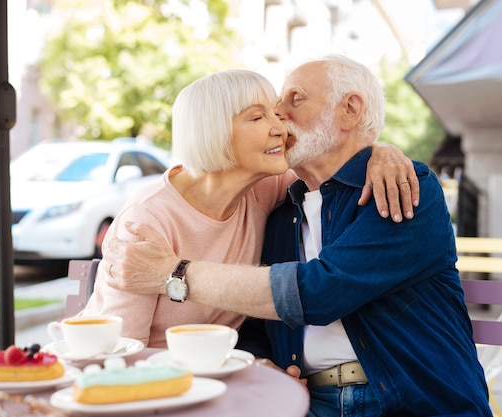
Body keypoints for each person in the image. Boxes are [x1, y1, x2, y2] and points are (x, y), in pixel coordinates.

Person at [101, 55, 491, 416]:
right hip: (301, 400)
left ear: (350, 110)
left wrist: (175, 273)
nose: (280, 118)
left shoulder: (403, 189)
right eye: (266, 113)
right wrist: (257, 359)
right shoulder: (277, 203)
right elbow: (250, 322)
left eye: (294, 100)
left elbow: (320, 292)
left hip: (413, 398)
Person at [80, 69, 417, 349]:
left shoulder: (264, 189)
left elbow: (333, 160)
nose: (280, 127)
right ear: (214, 131)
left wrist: (379, 151)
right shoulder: (146, 220)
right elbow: (121, 353)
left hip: (215, 379)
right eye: (258, 117)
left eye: (275, 113)